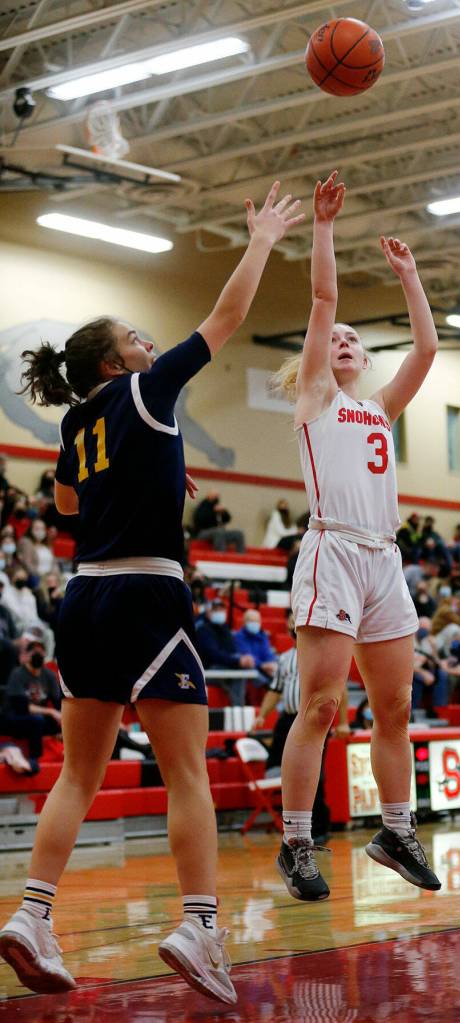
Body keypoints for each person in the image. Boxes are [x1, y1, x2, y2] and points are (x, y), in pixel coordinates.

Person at [0, 180, 303, 1001]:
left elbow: (65, 503)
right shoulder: (148, 388)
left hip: (83, 597)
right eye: (136, 336)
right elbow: (227, 318)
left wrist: (149, 469)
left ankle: (32, 913)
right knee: (186, 774)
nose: (148, 341)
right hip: (143, 593)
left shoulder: (74, 422)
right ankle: (201, 926)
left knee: (78, 774)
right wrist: (264, 239)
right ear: (115, 360)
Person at [270, 171, 440, 902]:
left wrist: (409, 278)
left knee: (396, 707)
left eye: (350, 341)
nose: (340, 340)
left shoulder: (376, 408)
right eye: (332, 340)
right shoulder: (315, 399)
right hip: (333, 549)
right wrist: (324, 226)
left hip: (382, 556)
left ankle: (396, 829)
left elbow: (427, 351)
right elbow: (322, 299)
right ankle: (296, 841)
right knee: (321, 706)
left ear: (363, 361)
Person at [252, 612, 348, 842]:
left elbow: (340, 690)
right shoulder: (285, 659)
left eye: (296, 624)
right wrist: (262, 715)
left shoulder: (322, 656)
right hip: (287, 719)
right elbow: (275, 690)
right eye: (290, 625)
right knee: (281, 769)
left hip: (314, 720)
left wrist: (343, 721)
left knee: (315, 774)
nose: (293, 629)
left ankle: (320, 828)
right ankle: (293, 826)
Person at [0, 635, 62, 763]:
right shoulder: (17, 674)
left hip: (37, 717)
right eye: (34, 651)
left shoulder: (49, 675)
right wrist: (51, 712)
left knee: (57, 721)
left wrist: (61, 725)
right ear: (27, 655)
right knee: (37, 721)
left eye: (40, 651)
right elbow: (22, 707)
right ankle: (36, 759)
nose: (37, 654)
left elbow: (58, 703)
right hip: (14, 717)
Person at [195, 597, 253, 706]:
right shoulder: (203, 630)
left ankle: (238, 709)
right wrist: (237, 661)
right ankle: (238, 710)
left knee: (240, 671)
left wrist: (241, 659)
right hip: (207, 670)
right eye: (216, 610)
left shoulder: (225, 629)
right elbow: (214, 655)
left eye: (222, 610)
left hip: (223, 667)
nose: (220, 613)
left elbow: (232, 650)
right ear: (208, 612)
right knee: (237, 675)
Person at [233, 608, 278, 697]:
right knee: (257, 674)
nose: (255, 623)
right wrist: (262, 665)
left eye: (257, 621)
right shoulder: (239, 637)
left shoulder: (263, 636)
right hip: (250, 669)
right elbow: (247, 657)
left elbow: (267, 653)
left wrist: (270, 663)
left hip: (264, 669)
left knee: (277, 670)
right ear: (244, 622)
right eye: (251, 621)